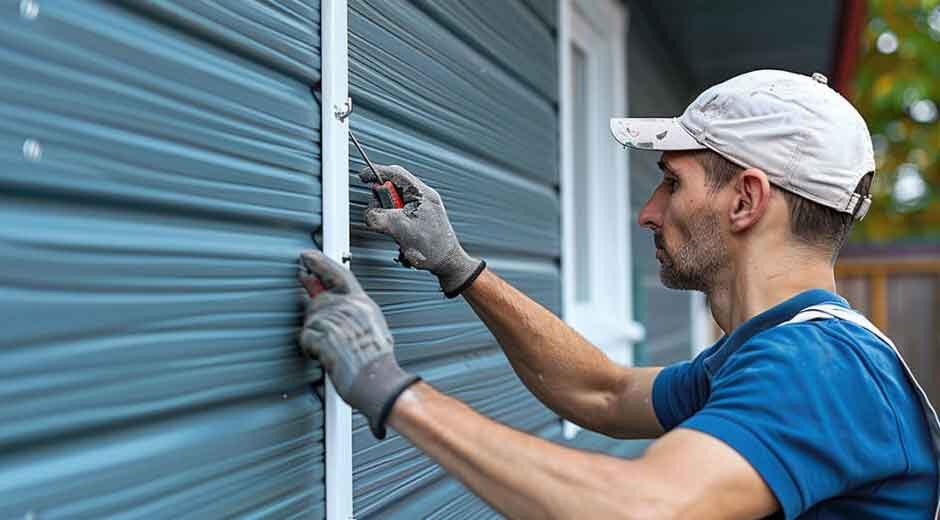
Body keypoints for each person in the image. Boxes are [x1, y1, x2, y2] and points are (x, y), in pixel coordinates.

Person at [297, 70, 939, 519]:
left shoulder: (819, 369)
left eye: (672, 183)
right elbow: (601, 392)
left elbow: (638, 509)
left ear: (746, 200)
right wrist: (459, 267)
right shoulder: (779, 350)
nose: (648, 212)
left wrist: (389, 388)